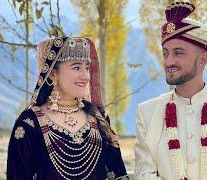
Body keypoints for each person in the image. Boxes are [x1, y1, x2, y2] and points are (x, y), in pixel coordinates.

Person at [134, 2, 207, 180]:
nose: (168, 61)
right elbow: (144, 174)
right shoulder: (147, 112)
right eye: (165, 53)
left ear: (202, 59)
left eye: (178, 52)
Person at [7, 36, 129, 180]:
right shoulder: (29, 123)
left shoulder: (98, 117)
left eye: (87, 68)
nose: (86, 76)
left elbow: (118, 175)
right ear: (53, 73)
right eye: (76, 67)